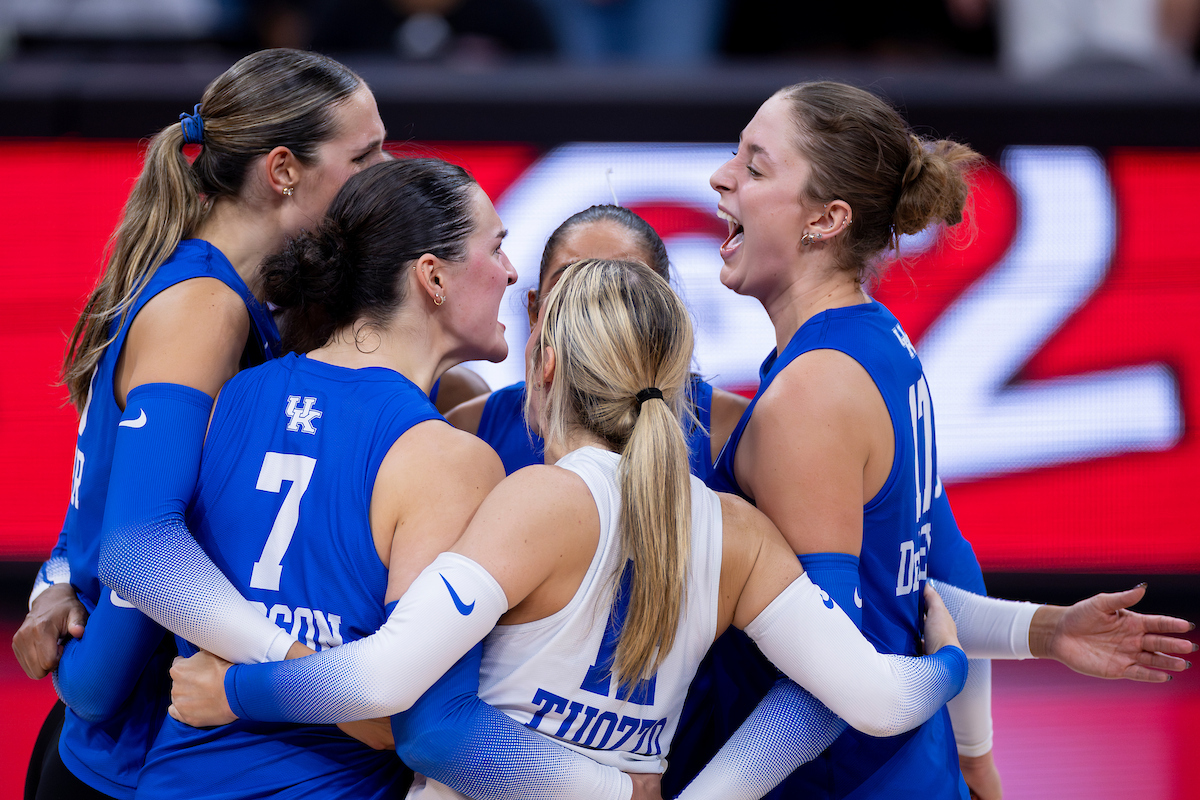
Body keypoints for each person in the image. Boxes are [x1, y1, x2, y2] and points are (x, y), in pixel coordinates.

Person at [166, 257, 973, 799]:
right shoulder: (739, 533)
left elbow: (393, 692)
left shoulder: (539, 502)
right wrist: (947, 662)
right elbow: (871, 699)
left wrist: (234, 690)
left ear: (546, 364)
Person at [58, 159, 672, 800]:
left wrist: (59, 591)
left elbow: (106, 650)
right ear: (433, 277)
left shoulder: (231, 393)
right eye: (497, 248)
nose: (513, 273)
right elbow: (414, 725)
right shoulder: (450, 460)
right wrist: (618, 790)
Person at [672, 80, 1196, 800]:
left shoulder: (811, 396)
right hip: (915, 771)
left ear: (825, 219)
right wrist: (1030, 658)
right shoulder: (881, 343)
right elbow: (934, 577)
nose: (721, 176)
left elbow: (825, 683)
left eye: (755, 166)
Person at [11, 48, 389, 800]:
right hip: (125, 763)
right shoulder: (203, 307)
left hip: (141, 749)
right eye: (365, 155)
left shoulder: (240, 294)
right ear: (283, 169)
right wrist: (300, 670)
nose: (385, 172)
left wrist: (55, 581)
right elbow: (140, 549)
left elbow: (106, 479)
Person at [446, 204, 748, 478]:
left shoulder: (737, 428)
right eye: (568, 285)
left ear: (665, 315)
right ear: (534, 312)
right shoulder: (468, 428)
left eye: (625, 290)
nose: (592, 311)